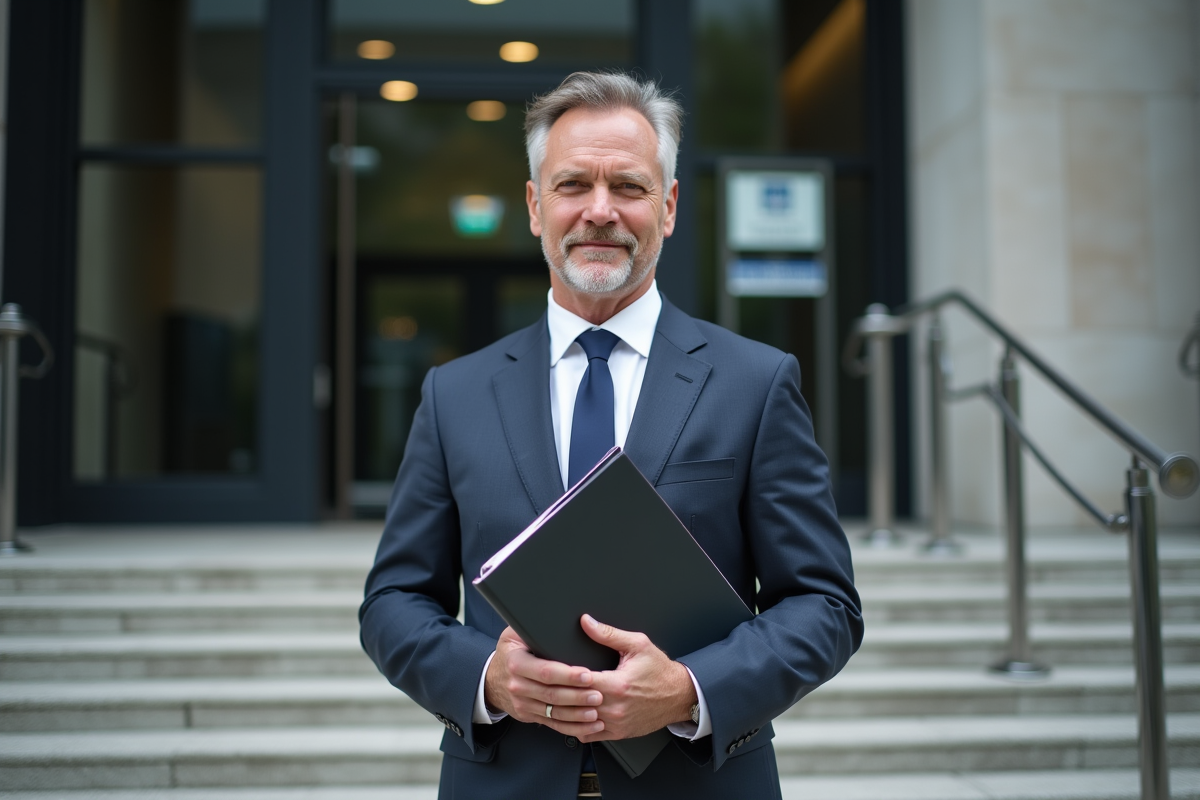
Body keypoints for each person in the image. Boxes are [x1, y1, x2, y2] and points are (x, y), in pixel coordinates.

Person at [359, 71, 863, 800]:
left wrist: (692, 689)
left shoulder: (757, 382)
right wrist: (487, 676)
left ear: (669, 205)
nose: (600, 211)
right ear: (536, 206)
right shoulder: (455, 395)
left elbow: (825, 605)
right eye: (572, 186)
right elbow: (393, 601)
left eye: (627, 186)